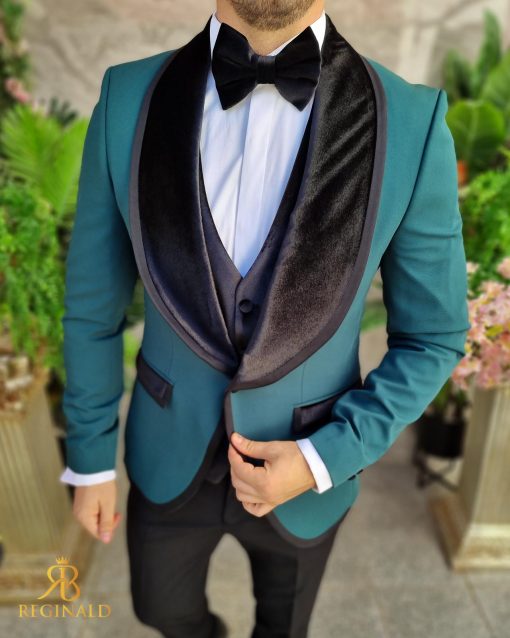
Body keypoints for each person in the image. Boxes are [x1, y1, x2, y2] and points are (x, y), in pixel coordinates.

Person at [59, 0, 471, 636]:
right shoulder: (127, 97)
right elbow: (92, 307)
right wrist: (90, 459)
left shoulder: (412, 121)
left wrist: (324, 458)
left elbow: (433, 337)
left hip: (310, 465)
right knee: (160, 611)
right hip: (168, 451)